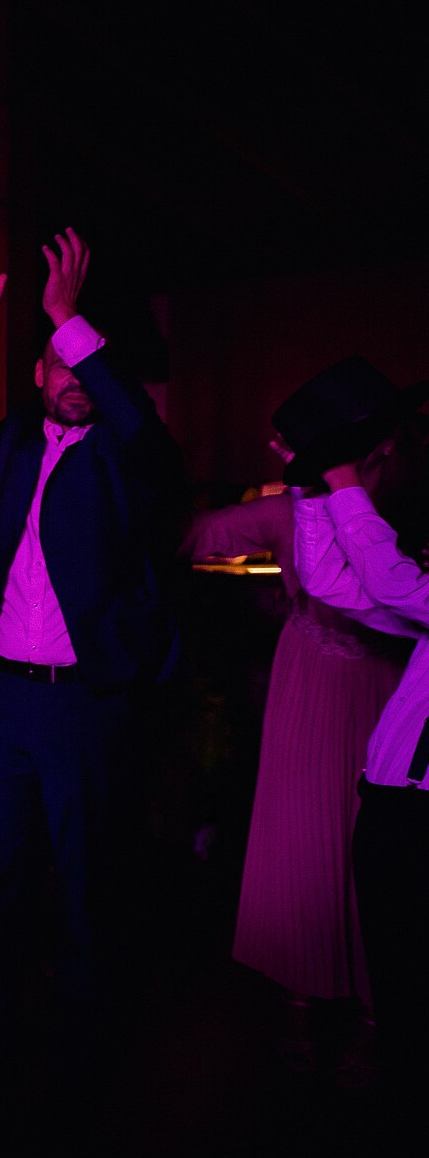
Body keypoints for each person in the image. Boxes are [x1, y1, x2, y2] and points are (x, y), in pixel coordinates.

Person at [0, 227, 185, 1089]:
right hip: (1, 703)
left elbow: (136, 421)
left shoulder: (129, 455)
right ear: (37, 377)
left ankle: (86, 1046)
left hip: (80, 704)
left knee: (87, 881)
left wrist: (68, 318)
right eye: (56, 364)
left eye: (81, 365)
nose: (69, 381)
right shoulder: (14, 442)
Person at [181, 452, 412, 1080]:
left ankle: (376, 1011)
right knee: (303, 840)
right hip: (308, 684)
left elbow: (395, 594)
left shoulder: (408, 511)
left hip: (394, 689)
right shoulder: (290, 507)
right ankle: (299, 998)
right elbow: (198, 532)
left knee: (381, 849)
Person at [277, 355, 429, 1097]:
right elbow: (339, 585)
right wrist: (311, 490)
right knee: (399, 990)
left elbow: (394, 582)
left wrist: (338, 483)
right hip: (392, 802)